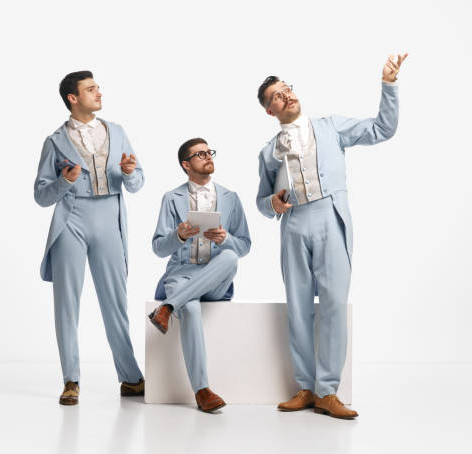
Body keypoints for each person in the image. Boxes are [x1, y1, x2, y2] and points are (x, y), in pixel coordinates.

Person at [256, 54, 408, 419]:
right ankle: (306, 388)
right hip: (293, 224)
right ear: (269, 110)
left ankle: (328, 392)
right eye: (277, 96)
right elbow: (261, 202)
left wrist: (388, 86)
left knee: (335, 303)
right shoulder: (267, 151)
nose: (286, 96)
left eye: (287, 89)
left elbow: (381, 130)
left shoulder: (329, 127)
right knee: (299, 307)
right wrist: (273, 205)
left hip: (328, 216)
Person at [34, 70, 145, 405]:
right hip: (72, 219)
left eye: (98, 87)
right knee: (67, 302)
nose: (99, 92)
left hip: (109, 216)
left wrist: (128, 172)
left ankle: (130, 377)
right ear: (73, 98)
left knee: (115, 300)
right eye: (91, 89)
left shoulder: (118, 132)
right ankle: (71, 380)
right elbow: (41, 195)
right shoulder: (55, 141)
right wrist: (65, 181)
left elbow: (138, 181)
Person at [148, 138, 251, 412]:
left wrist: (225, 238)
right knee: (191, 310)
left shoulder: (231, 198)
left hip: (215, 278)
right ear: (186, 164)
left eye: (209, 151)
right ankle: (202, 390)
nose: (207, 156)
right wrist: (179, 234)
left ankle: (168, 307)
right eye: (200, 154)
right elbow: (158, 247)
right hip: (181, 275)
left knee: (230, 256)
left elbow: (245, 246)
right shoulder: (172, 198)